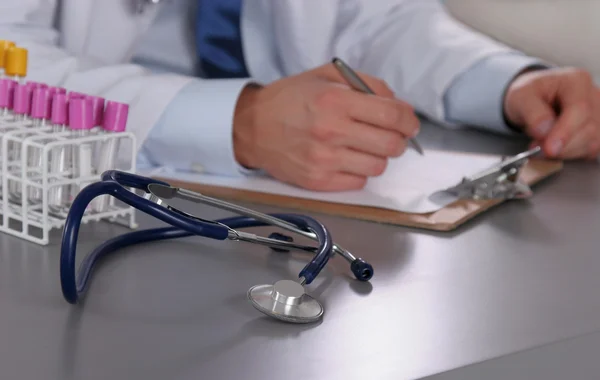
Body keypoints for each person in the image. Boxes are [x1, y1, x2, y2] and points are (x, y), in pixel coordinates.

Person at [2, 0, 599, 192]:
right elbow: (9, 59)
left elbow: (370, 17)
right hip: (63, 198)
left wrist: (506, 84)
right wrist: (237, 121)